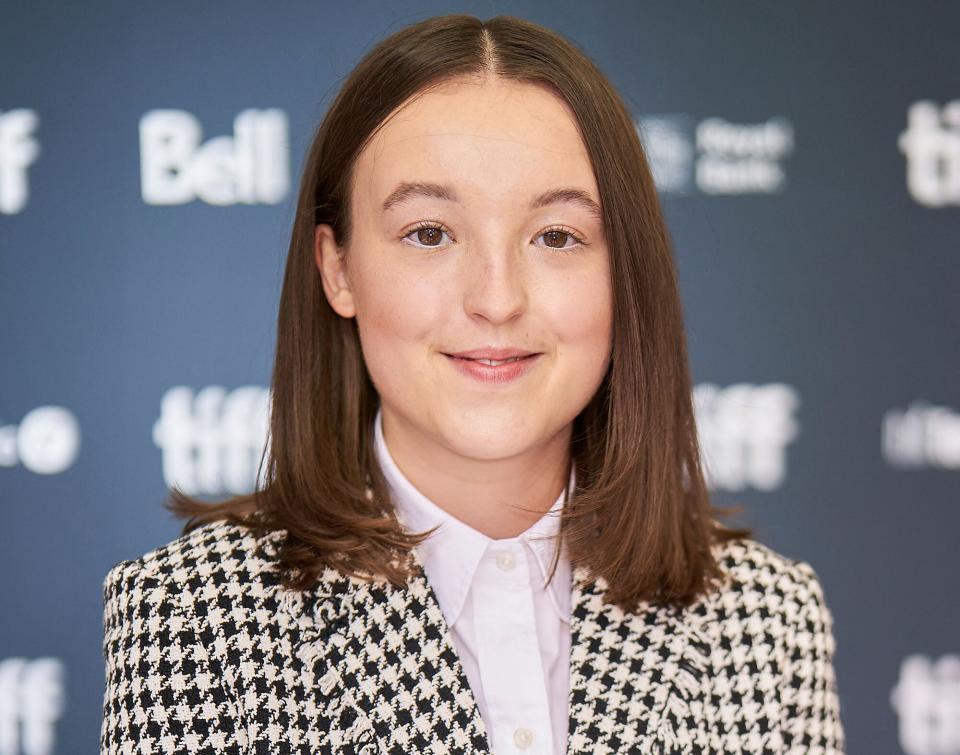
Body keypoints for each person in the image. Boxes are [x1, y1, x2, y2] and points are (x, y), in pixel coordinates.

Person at [99, 13, 845, 755]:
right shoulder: (196, 618)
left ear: (625, 272)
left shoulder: (767, 617)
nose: (496, 297)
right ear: (338, 268)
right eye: (430, 233)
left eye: (556, 236)